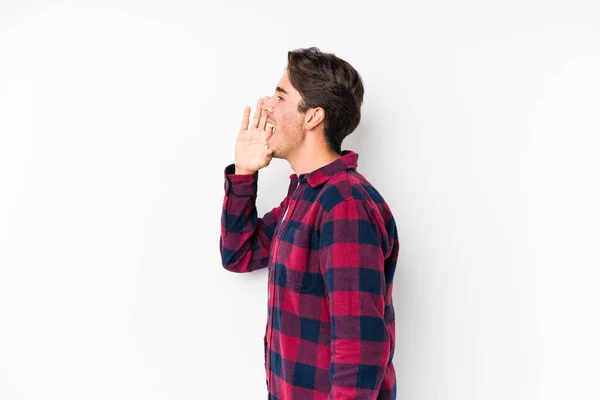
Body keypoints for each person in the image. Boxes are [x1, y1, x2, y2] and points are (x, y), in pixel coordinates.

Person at [219, 47, 398, 400]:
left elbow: (360, 349)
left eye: (281, 95)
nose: (266, 104)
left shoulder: (344, 204)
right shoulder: (305, 196)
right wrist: (243, 173)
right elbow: (238, 254)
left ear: (313, 116)